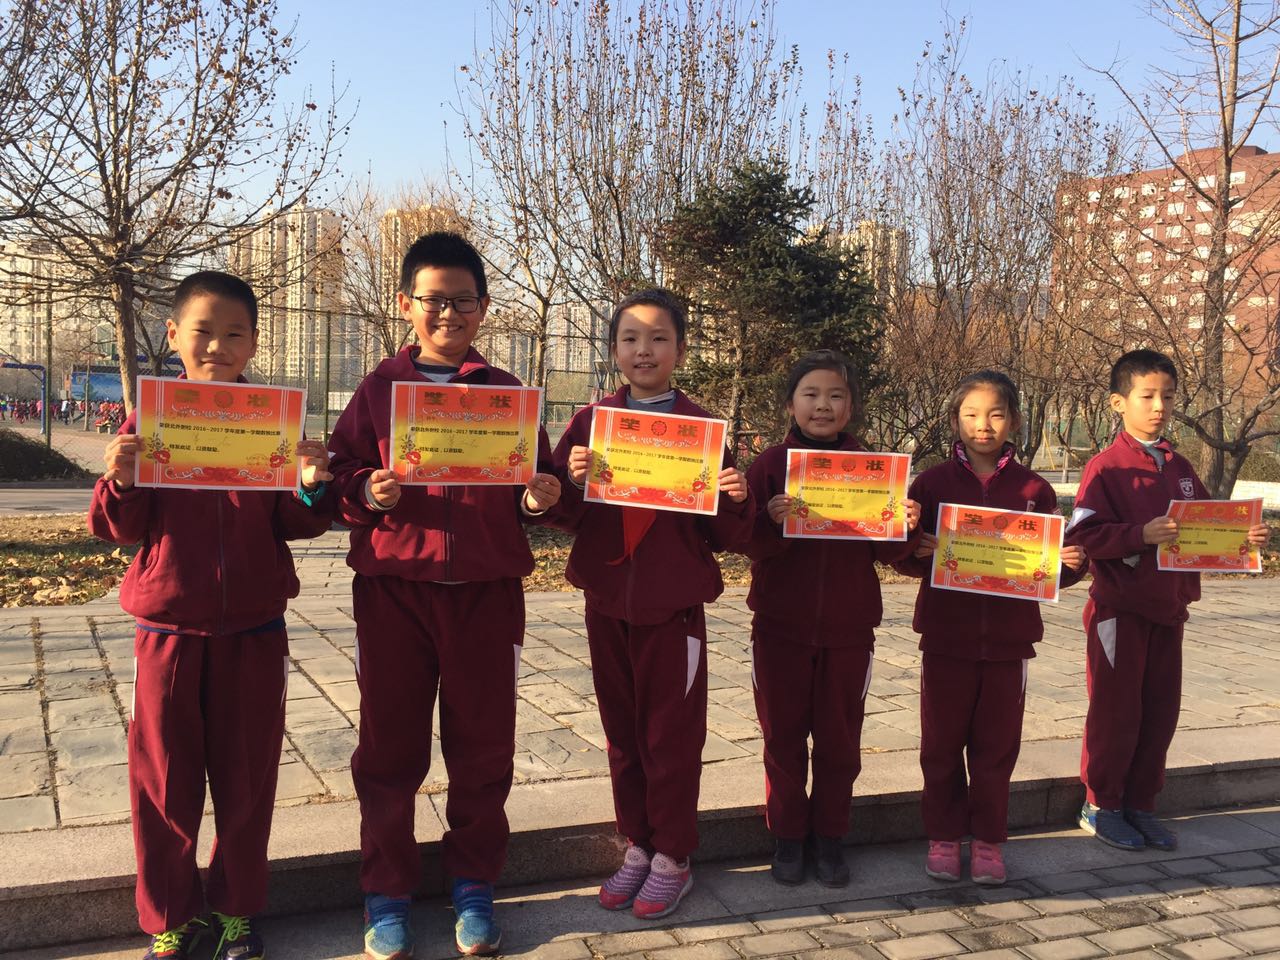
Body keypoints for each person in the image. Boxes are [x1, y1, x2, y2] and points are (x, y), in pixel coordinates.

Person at [326, 231, 562, 960]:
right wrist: (367, 491)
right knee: (388, 751)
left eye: (463, 301)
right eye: (434, 300)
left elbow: (538, 488)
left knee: (483, 750)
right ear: (406, 305)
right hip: (394, 594)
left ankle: (473, 885)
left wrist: (536, 499)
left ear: (483, 308)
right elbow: (337, 477)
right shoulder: (378, 390)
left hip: (486, 596)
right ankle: (387, 893)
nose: (449, 313)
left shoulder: (507, 394)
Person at [88, 270, 333, 960]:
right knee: (163, 782)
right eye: (203, 332)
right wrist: (121, 480)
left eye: (234, 334)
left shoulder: (271, 421)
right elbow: (118, 528)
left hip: (254, 630)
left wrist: (311, 487)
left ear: (254, 342)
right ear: (173, 336)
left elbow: (293, 521)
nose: (218, 347)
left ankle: (235, 911)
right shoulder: (151, 419)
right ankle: (170, 916)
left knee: (246, 780)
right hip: (168, 630)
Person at [551, 288, 753, 920]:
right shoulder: (589, 424)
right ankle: (637, 844)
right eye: (631, 338)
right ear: (613, 349)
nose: (645, 350)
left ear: (681, 351)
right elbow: (559, 511)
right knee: (623, 733)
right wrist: (570, 481)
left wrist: (736, 495)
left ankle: (673, 856)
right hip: (608, 602)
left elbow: (725, 535)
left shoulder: (702, 431)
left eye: (659, 338)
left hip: (673, 610)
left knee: (671, 736)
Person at [1065, 349, 1268, 852]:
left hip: (1169, 609)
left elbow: (1207, 527)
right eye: (1147, 396)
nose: (1159, 407)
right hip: (1119, 611)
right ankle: (1101, 804)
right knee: (1116, 712)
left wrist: (1245, 538)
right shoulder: (1106, 468)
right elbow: (1085, 536)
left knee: (1160, 712)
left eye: (1169, 397)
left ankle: (1140, 804)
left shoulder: (1180, 467)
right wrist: (1140, 535)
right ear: (1119, 402)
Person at [895, 370, 1087, 885]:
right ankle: (942, 836)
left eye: (996, 414)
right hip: (946, 639)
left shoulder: (1033, 489)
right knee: (940, 746)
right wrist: (916, 547)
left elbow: (1053, 565)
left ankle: (987, 841)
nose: (983, 424)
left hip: (1008, 644)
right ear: (955, 420)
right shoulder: (932, 484)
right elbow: (902, 556)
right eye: (972, 414)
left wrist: (1071, 564)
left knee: (996, 750)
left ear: (1014, 421)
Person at [740, 350, 921, 887]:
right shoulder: (770, 465)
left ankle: (830, 836)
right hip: (780, 629)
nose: (823, 405)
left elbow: (890, 555)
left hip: (849, 632)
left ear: (851, 407)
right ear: (791, 404)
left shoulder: (872, 469)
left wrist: (905, 524)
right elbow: (743, 540)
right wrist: (769, 521)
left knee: (840, 741)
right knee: (783, 738)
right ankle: (788, 837)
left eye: (836, 395)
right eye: (811, 394)